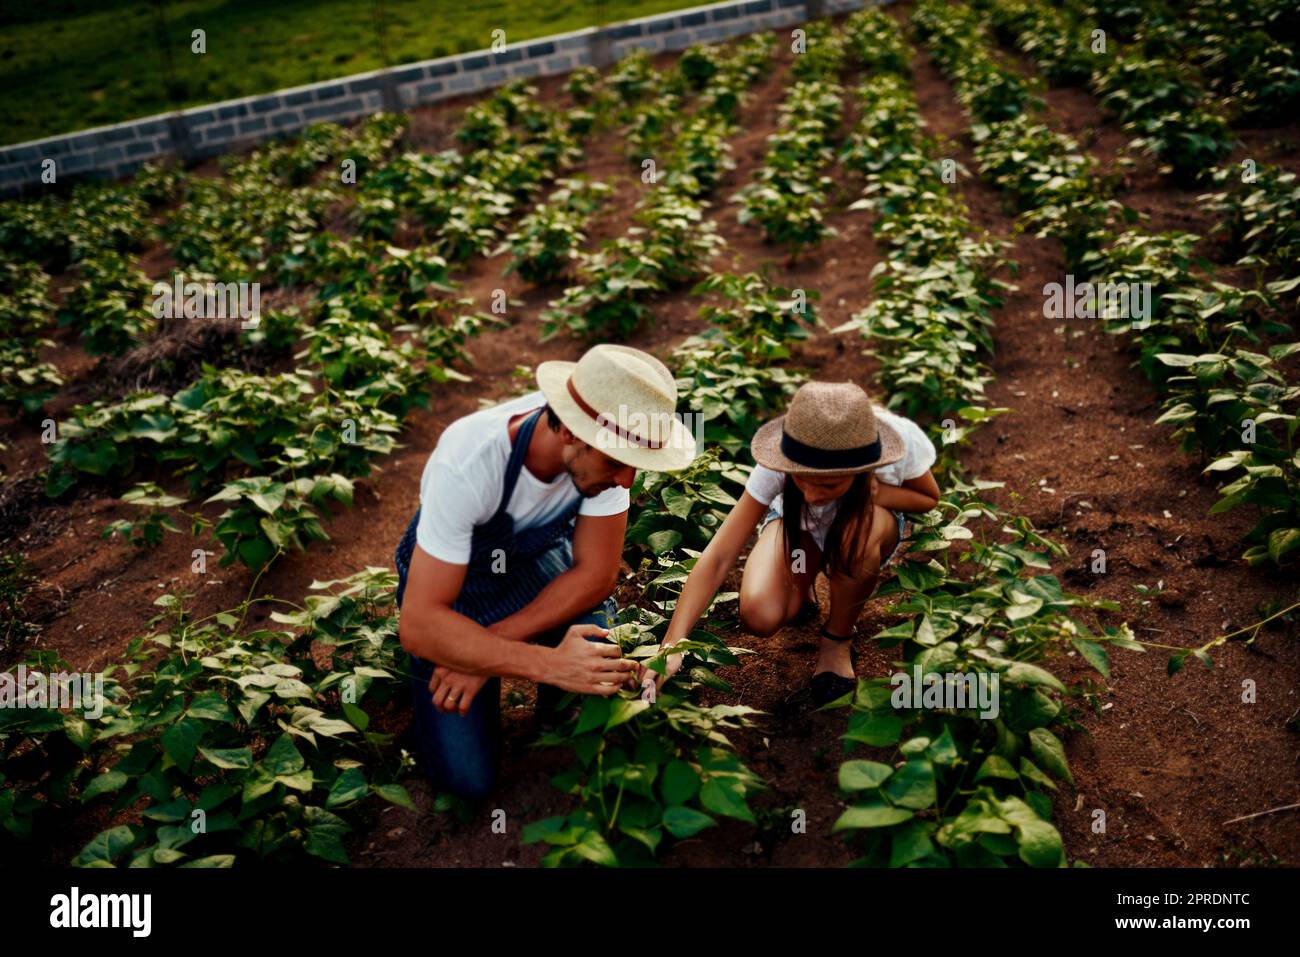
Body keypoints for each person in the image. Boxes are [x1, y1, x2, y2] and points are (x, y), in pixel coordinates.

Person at [395, 344, 697, 798]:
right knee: (467, 783)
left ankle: (557, 714)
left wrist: (490, 648)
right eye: (617, 463)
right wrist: (546, 664)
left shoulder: (606, 460)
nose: (627, 481)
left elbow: (596, 575)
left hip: (528, 566)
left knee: (596, 641)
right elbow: (420, 624)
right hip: (450, 596)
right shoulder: (471, 460)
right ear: (572, 434)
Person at [641, 380, 939, 706]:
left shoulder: (899, 442)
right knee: (760, 614)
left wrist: (876, 493)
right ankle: (802, 584)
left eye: (828, 484)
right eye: (801, 480)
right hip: (800, 532)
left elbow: (927, 497)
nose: (811, 494)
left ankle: (837, 640)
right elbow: (720, 555)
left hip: (866, 527)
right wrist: (673, 642)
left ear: (862, 470)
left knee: (854, 538)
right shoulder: (783, 458)